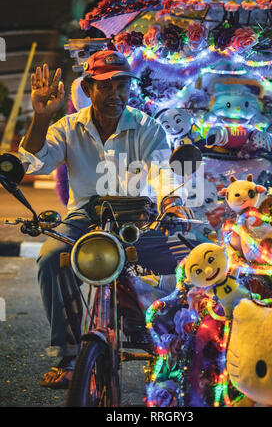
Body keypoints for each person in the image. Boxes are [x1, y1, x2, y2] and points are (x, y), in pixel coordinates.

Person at [18, 50, 197, 389]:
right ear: (88, 87)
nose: (116, 95)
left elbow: (162, 172)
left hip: (137, 215)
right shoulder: (67, 127)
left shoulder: (148, 127)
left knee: (194, 256)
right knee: (49, 259)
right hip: (85, 215)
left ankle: (182, 346)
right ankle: (70, 355)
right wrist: (41, 117)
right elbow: (31, 164)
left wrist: (172, 202)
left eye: (122, 86)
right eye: (105, 86)